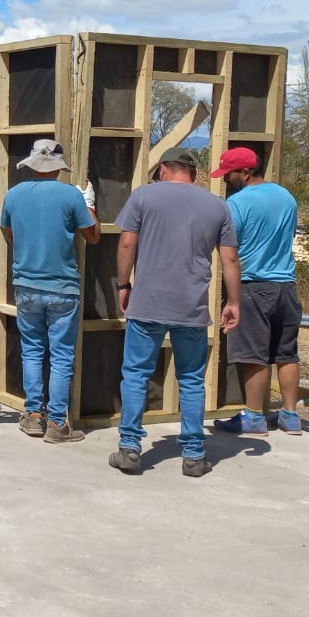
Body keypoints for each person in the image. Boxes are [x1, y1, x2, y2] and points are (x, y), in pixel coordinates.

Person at [110, 146, 241, 478]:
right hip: (191, 306)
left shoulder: (144, 196)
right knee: (192, 380)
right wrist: (233, 302)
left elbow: (126, 243)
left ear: (163, 170)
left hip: (148, 303)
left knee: (136, 374)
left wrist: (123, 285)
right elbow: (229, 259)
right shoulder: (217, 205)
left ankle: (129, 449)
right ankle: (194, 455)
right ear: (194, 174)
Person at [0, 139, 99, 442]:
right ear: (58, 167)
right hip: (62, 287)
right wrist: (89, 204)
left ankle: (33, 415)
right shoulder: (71, 196)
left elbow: (8, 233)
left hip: (27, 284)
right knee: (62, 355)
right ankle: (57, 423)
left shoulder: (13, 194)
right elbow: (93, 236)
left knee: (32, 350)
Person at [208, 146, 304, 437]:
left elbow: (229, 248)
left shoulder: (237, 203)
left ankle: (253, 418)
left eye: (229, 174)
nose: (226, 179)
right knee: (287, 353)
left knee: (254, 355)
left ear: (247, 172)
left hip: (253, 285)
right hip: (286, 286)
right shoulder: (286, 197)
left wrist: (232, 296)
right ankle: (290, 416)